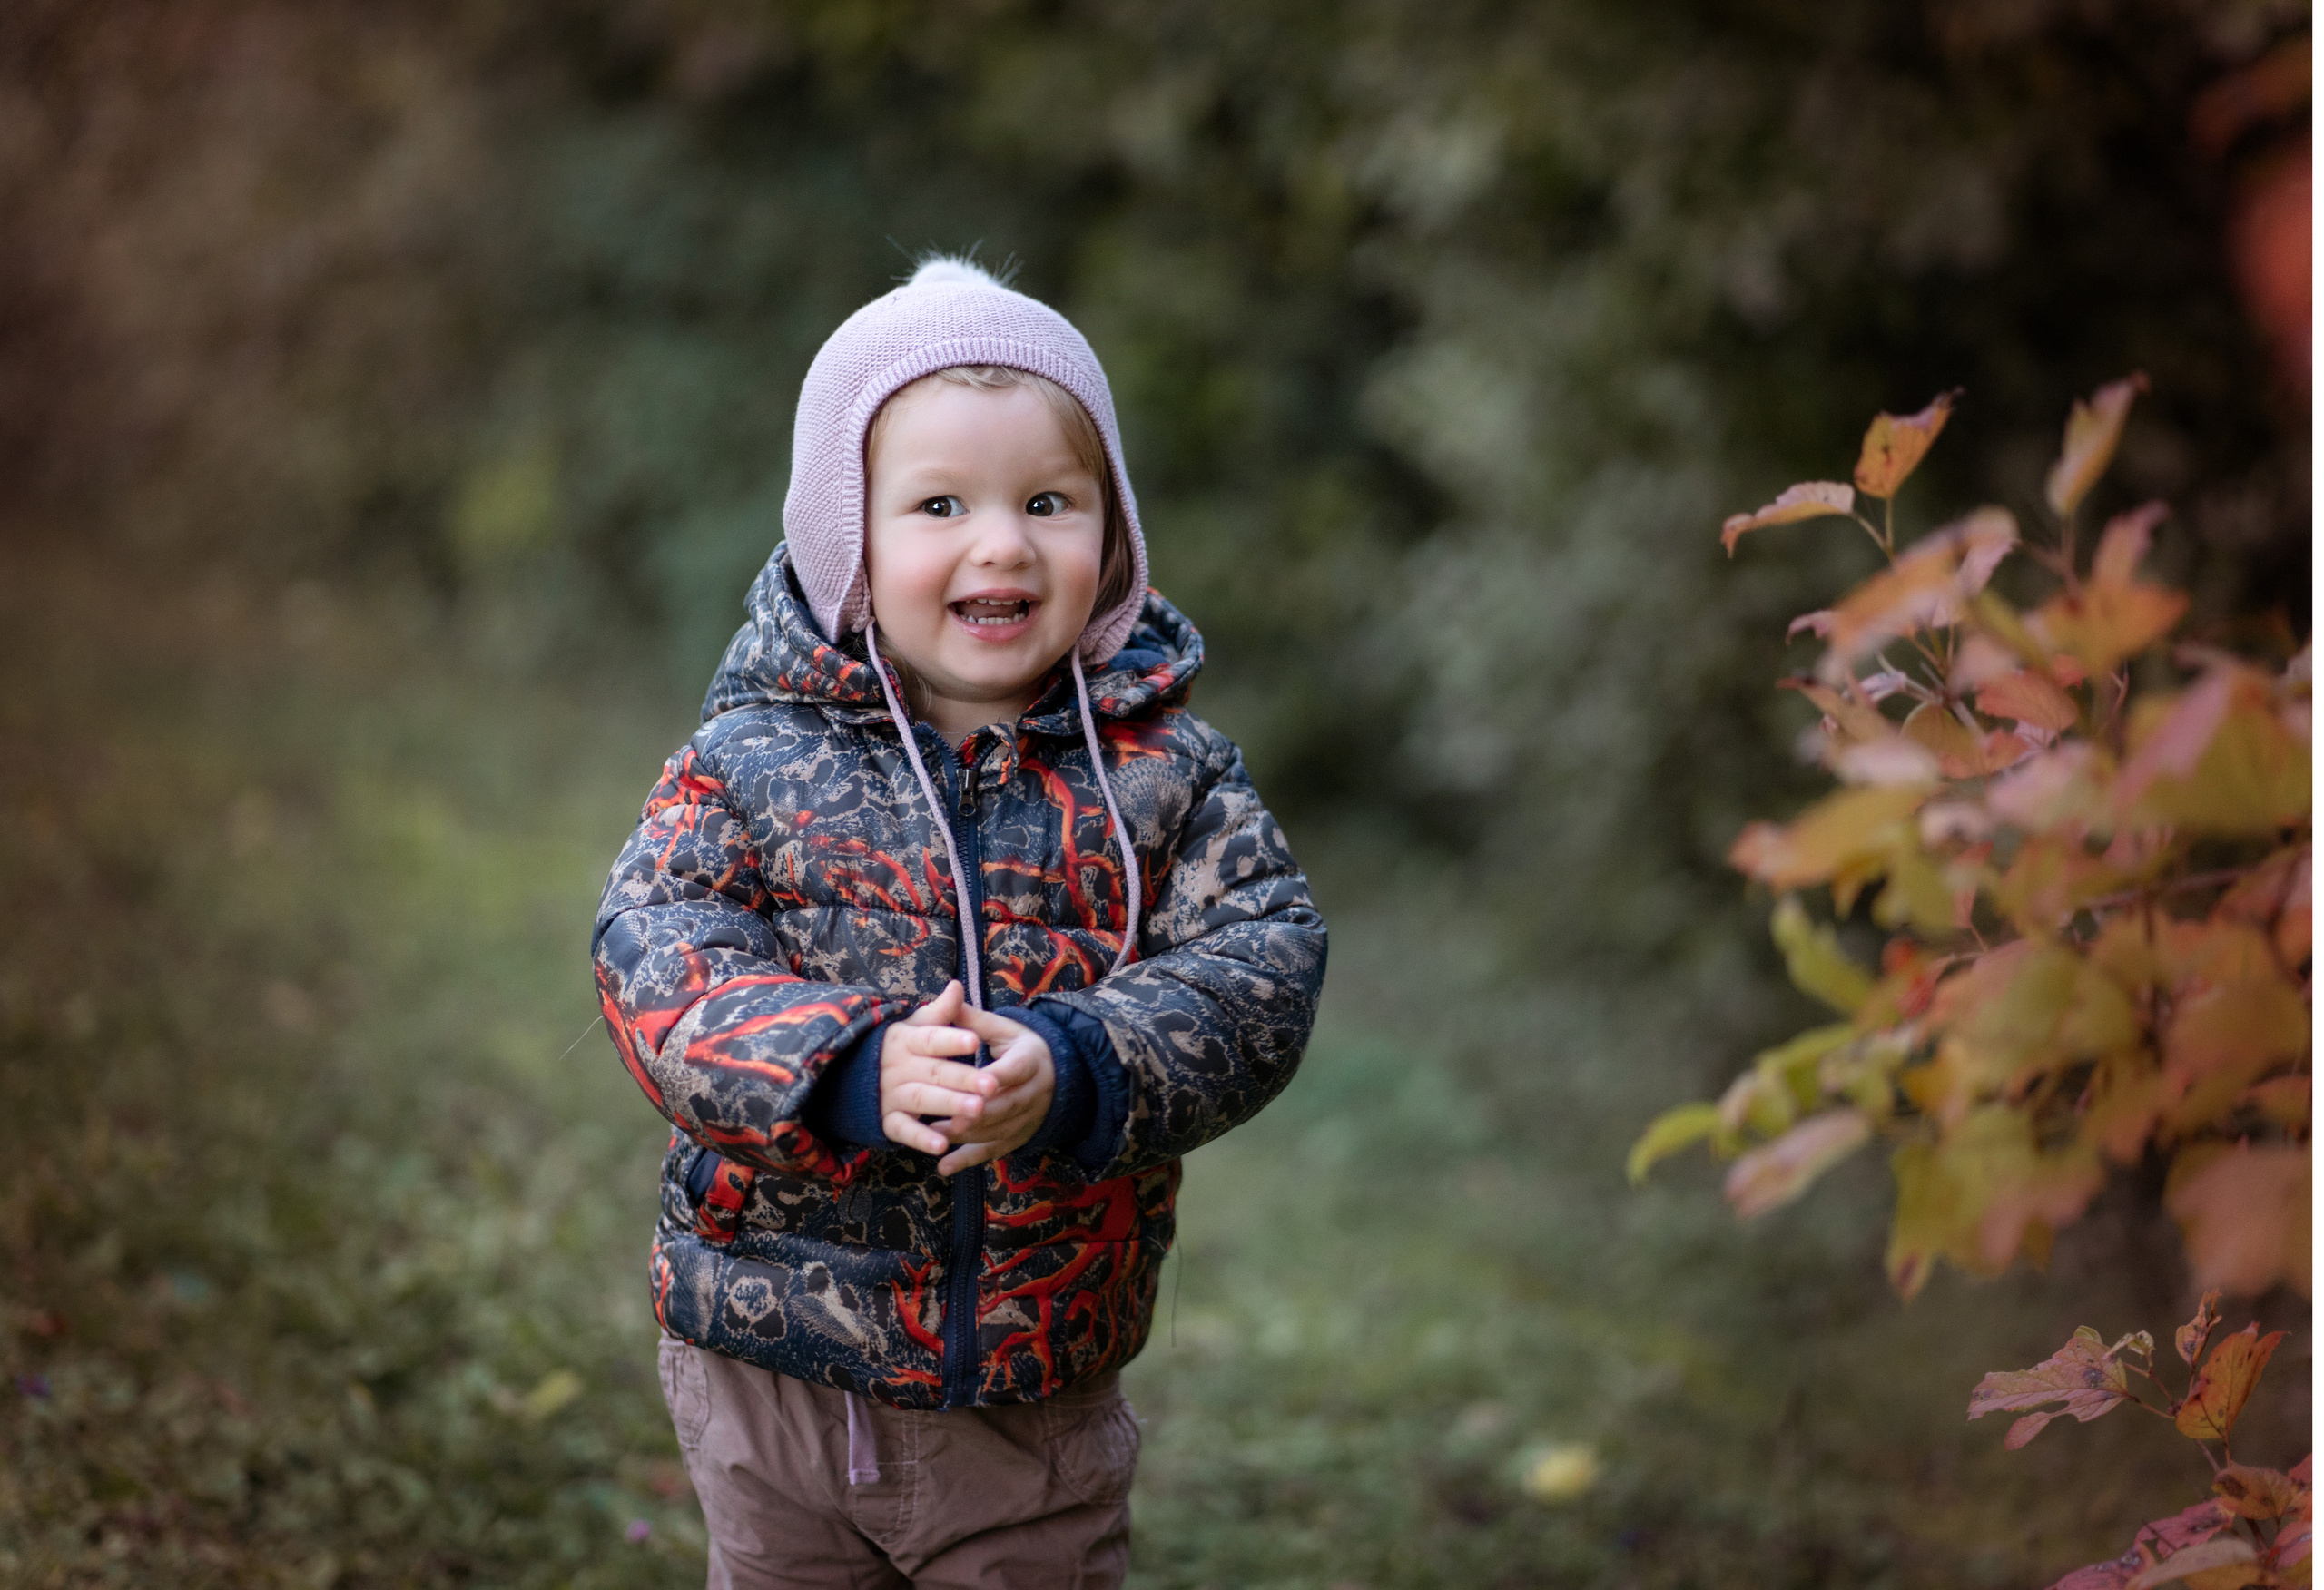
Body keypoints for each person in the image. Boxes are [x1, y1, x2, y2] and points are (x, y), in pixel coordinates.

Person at [591, 256, 1327, 1588]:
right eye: (941, 504)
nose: (1002, 542)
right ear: (847, 539)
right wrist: (845, 1068)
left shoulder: (1170, 772)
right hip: (771, 1363)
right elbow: (658, 958)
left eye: (1049, 500)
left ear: (1111, 532)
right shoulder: (751, 757)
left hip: (1031, 1388)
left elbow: (1263, 964)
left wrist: (1083, 1061)